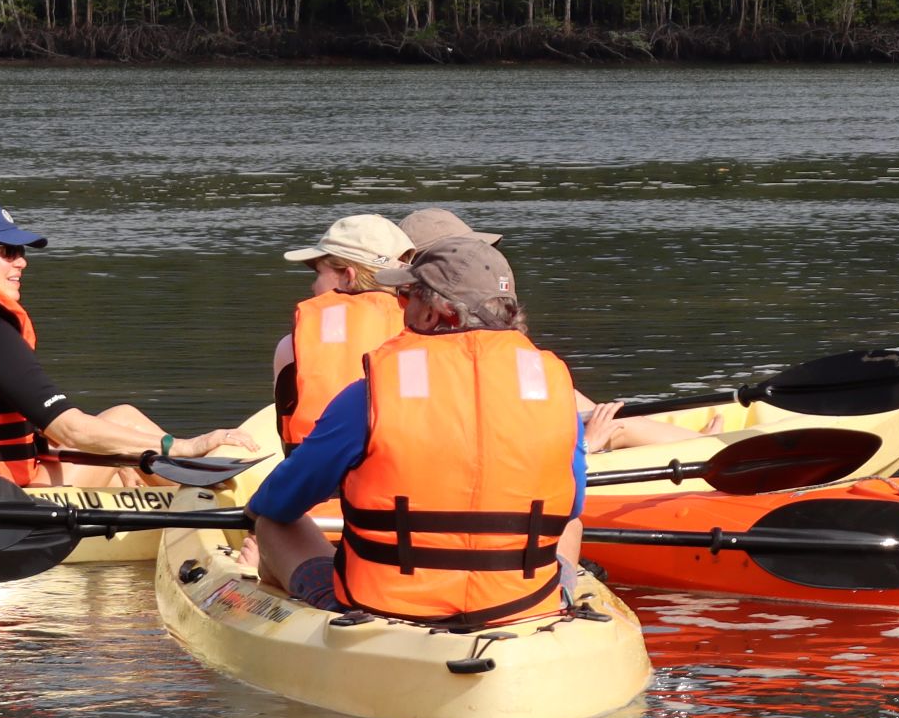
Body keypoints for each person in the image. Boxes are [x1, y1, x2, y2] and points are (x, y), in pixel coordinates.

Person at [250, 238, 589, 625]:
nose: (403, 306)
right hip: (522, 605)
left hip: (387, 610)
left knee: (270, 523)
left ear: (433, 313)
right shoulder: (554, 389)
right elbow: (572, 505)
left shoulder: (370, 392)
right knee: (572, 521)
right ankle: (558, 612)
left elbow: (279, 502)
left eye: (408, 295)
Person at [0, 198, 259, 488]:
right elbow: (71, 430)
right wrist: (186, 446)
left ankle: (162, 500)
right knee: (124, 426)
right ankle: (204, 524)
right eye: (7, 252)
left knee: (121, 433)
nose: (20, 262)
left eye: (21, 252)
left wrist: (122, 454)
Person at [400, 206, 705, 453]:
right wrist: (586, 445)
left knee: (595, 415)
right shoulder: (419, 326)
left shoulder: (410, 322)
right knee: (609, 425)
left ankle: (693, 441)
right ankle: (703, 446)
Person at [273, 213, 413, 449]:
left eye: (318, 273)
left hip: (321, 477)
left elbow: (284, 431)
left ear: (348, 277)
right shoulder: (426, 333)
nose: (312, 285)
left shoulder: (291, 346)